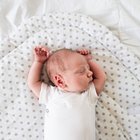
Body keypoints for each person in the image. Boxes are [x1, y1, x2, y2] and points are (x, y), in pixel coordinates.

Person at [27, 46, 106, 140]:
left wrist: (89, 60)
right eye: (81, 71)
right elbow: (33, 83)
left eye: (89, 69)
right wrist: (39, 62)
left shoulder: (88, 94)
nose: (90, 73)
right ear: (60, 81)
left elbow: (101, 78)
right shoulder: (51, 95)